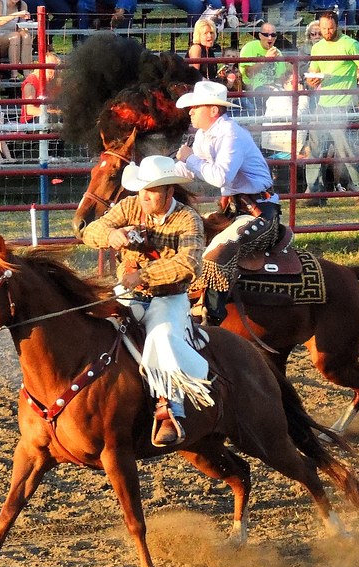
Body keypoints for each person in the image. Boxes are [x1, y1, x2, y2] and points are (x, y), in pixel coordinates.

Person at [80, 155, 209, 447]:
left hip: (170, 297)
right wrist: (112, 233)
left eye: (152, 190)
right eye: (142, 189)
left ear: (169, 192)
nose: (145, 196)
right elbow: (91, 230)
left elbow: (189, 264)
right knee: (92, 323)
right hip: (129, 295)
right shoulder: (130, 206)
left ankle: (171, 409)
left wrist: (144, 275)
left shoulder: (188, 219)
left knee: (161, 337)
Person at [173, 80, 279, 327]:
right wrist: (157, 171)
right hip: (235, 210)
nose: (190, 111)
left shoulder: (232, 135)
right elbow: (187, 171)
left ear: (213, 110)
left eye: (195, 107)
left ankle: (212, 319)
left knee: (214, 256)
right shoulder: (204, 135)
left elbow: (220, 176)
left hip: (260, 213)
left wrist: (189, 159)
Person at [303, 10, 359, 206]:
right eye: (324, 28)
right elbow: (314, 72)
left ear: (337, 26)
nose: (327, 32)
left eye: (330, 28)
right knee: (315, 150)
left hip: (343, 105)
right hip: (323, 104)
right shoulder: (317, 48)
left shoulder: (350, 44)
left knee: (345, 150)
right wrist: (312, 80)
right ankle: (314, 193)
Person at [238, 21, 288, 116]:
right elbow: (249, 73)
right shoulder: (249, 47)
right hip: (252, 90)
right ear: (260, 36)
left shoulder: (278, 53)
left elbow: (280, 77)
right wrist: (265, 60)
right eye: (266, 34)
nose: (270, 38)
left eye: (273, 35)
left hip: (273, 91)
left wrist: (276, 87)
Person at [0, 0, 31, 81]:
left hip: (12, 43)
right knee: (15, 36)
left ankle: (27, 74)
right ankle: (14, 75)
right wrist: (16, 14)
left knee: (26, 35)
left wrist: (25, 28)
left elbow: (20, 27)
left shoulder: (22, 5)